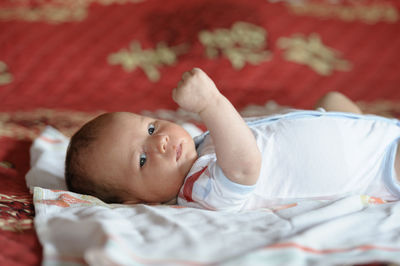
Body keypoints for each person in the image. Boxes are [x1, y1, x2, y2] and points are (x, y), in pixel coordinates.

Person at [65, 68, 400, 211]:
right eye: (142, 160)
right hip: (376, 167)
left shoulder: (197, 146)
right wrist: (211, 103)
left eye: (151, 128)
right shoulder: (201, 191)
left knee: (332, 97)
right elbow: (244, 167)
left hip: (356, 130)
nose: (160, 142)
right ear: (139, 202)